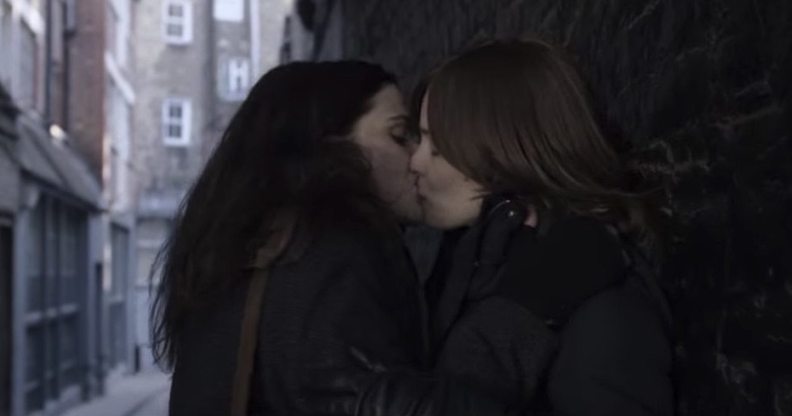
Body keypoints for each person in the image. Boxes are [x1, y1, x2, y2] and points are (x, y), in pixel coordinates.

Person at [410, 38, 675, 415]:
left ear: (502, 149)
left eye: (436, 147)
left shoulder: (598, 303)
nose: (415, 162)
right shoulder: (475, 269)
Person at [155, 61, 432, 416]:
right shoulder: (332, 251)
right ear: (330, 145)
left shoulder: (245, 249)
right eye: (399, 135)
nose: (419, 157)